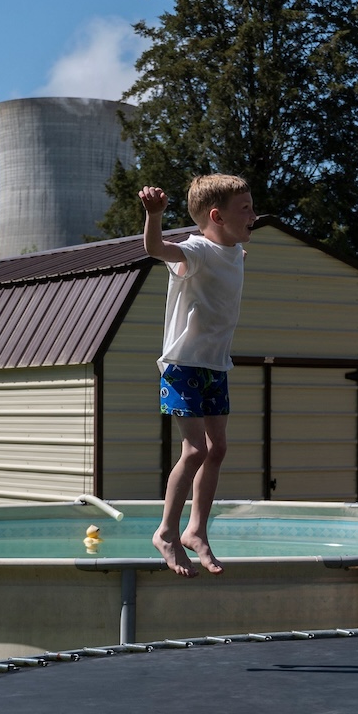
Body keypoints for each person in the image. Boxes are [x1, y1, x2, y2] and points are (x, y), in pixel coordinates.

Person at [141, 175, 257, 577]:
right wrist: (154, 216)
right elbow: (156, 249)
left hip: (215, 365)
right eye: (245, 209)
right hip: (183, 365)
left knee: (217, 448)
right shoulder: (197, 251)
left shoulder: (234, 252)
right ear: (216, 217)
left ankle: (196, 530)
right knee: (194, 451)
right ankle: (167, 533)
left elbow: (230, 261)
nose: (253, 215)